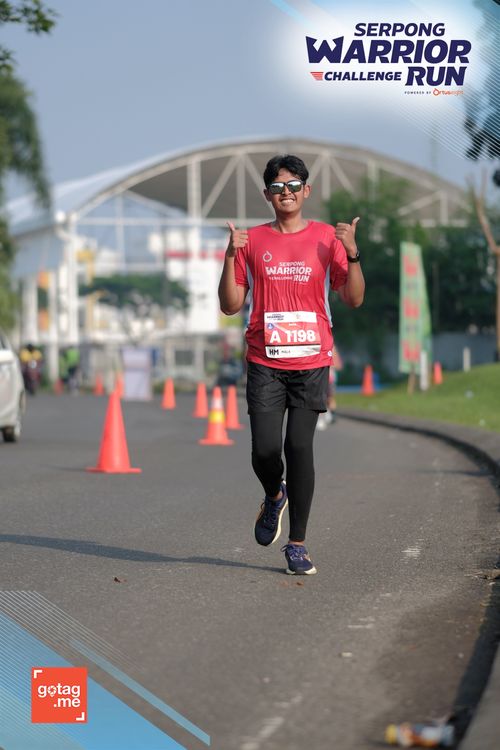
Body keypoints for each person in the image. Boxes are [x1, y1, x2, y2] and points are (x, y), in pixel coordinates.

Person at [218, 154, 365, 575]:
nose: (287, 193)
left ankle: (297, 544)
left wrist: (353, 254)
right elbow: (230, 305)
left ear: (306, 190)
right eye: (278, 187)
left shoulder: (327, 238)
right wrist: (229, 256)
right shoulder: (251, 241)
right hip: (265, 360)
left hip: (311, 360)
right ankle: (274, 494)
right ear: (267, 195)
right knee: (265, 450)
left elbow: (353, 298)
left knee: (299, 447)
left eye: (294, 185)